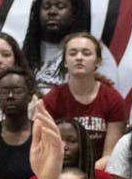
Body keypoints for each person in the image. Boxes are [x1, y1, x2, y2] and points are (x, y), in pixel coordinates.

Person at [41, 31, 126, 163]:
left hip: (100, 171)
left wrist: (89, 175)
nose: (79, 58)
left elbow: (110, 155)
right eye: (73, 53)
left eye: (86, 53)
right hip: (61, 170)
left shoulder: (113, 99)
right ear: (65, 62)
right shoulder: (52, 100)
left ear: (97, 61)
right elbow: (48, 151)